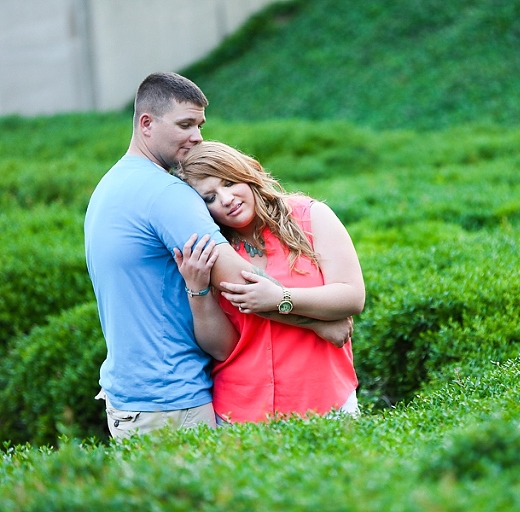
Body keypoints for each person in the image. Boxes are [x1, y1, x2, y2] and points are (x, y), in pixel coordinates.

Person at [84, 72, 352, 440]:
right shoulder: (166, 193)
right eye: (185, 124)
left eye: (199, 125)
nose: (196, 136)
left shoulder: (111, 184)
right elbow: (244, 285)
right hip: (172, 397)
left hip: (138, 395)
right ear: (146, 123)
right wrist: (321, 324)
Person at [173, 141, 365, 424]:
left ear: (248, 172)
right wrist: (197, 289)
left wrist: (280, 298)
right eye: (209, 198)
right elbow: (222, 349)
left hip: (325, 400)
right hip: (240, 411)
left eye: (229, 182)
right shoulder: (213, 250)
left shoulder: (309, 216)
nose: (226, 199)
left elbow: (352, 296)